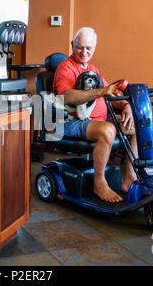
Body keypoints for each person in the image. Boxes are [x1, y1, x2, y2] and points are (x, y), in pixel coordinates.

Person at [53, 27, 138, 203]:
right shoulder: (65, 67)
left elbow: (111, 94)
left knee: (136, 125)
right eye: (80, 47)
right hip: (72, 121)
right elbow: (67, 96)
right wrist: (100, 92)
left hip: (98, 121)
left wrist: (126, 105)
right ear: (72, 45)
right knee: (107, 130)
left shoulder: (93, 69)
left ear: (94, 48)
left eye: (88, 48)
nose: (84, 52)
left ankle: (130, 175)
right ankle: (99, 183)